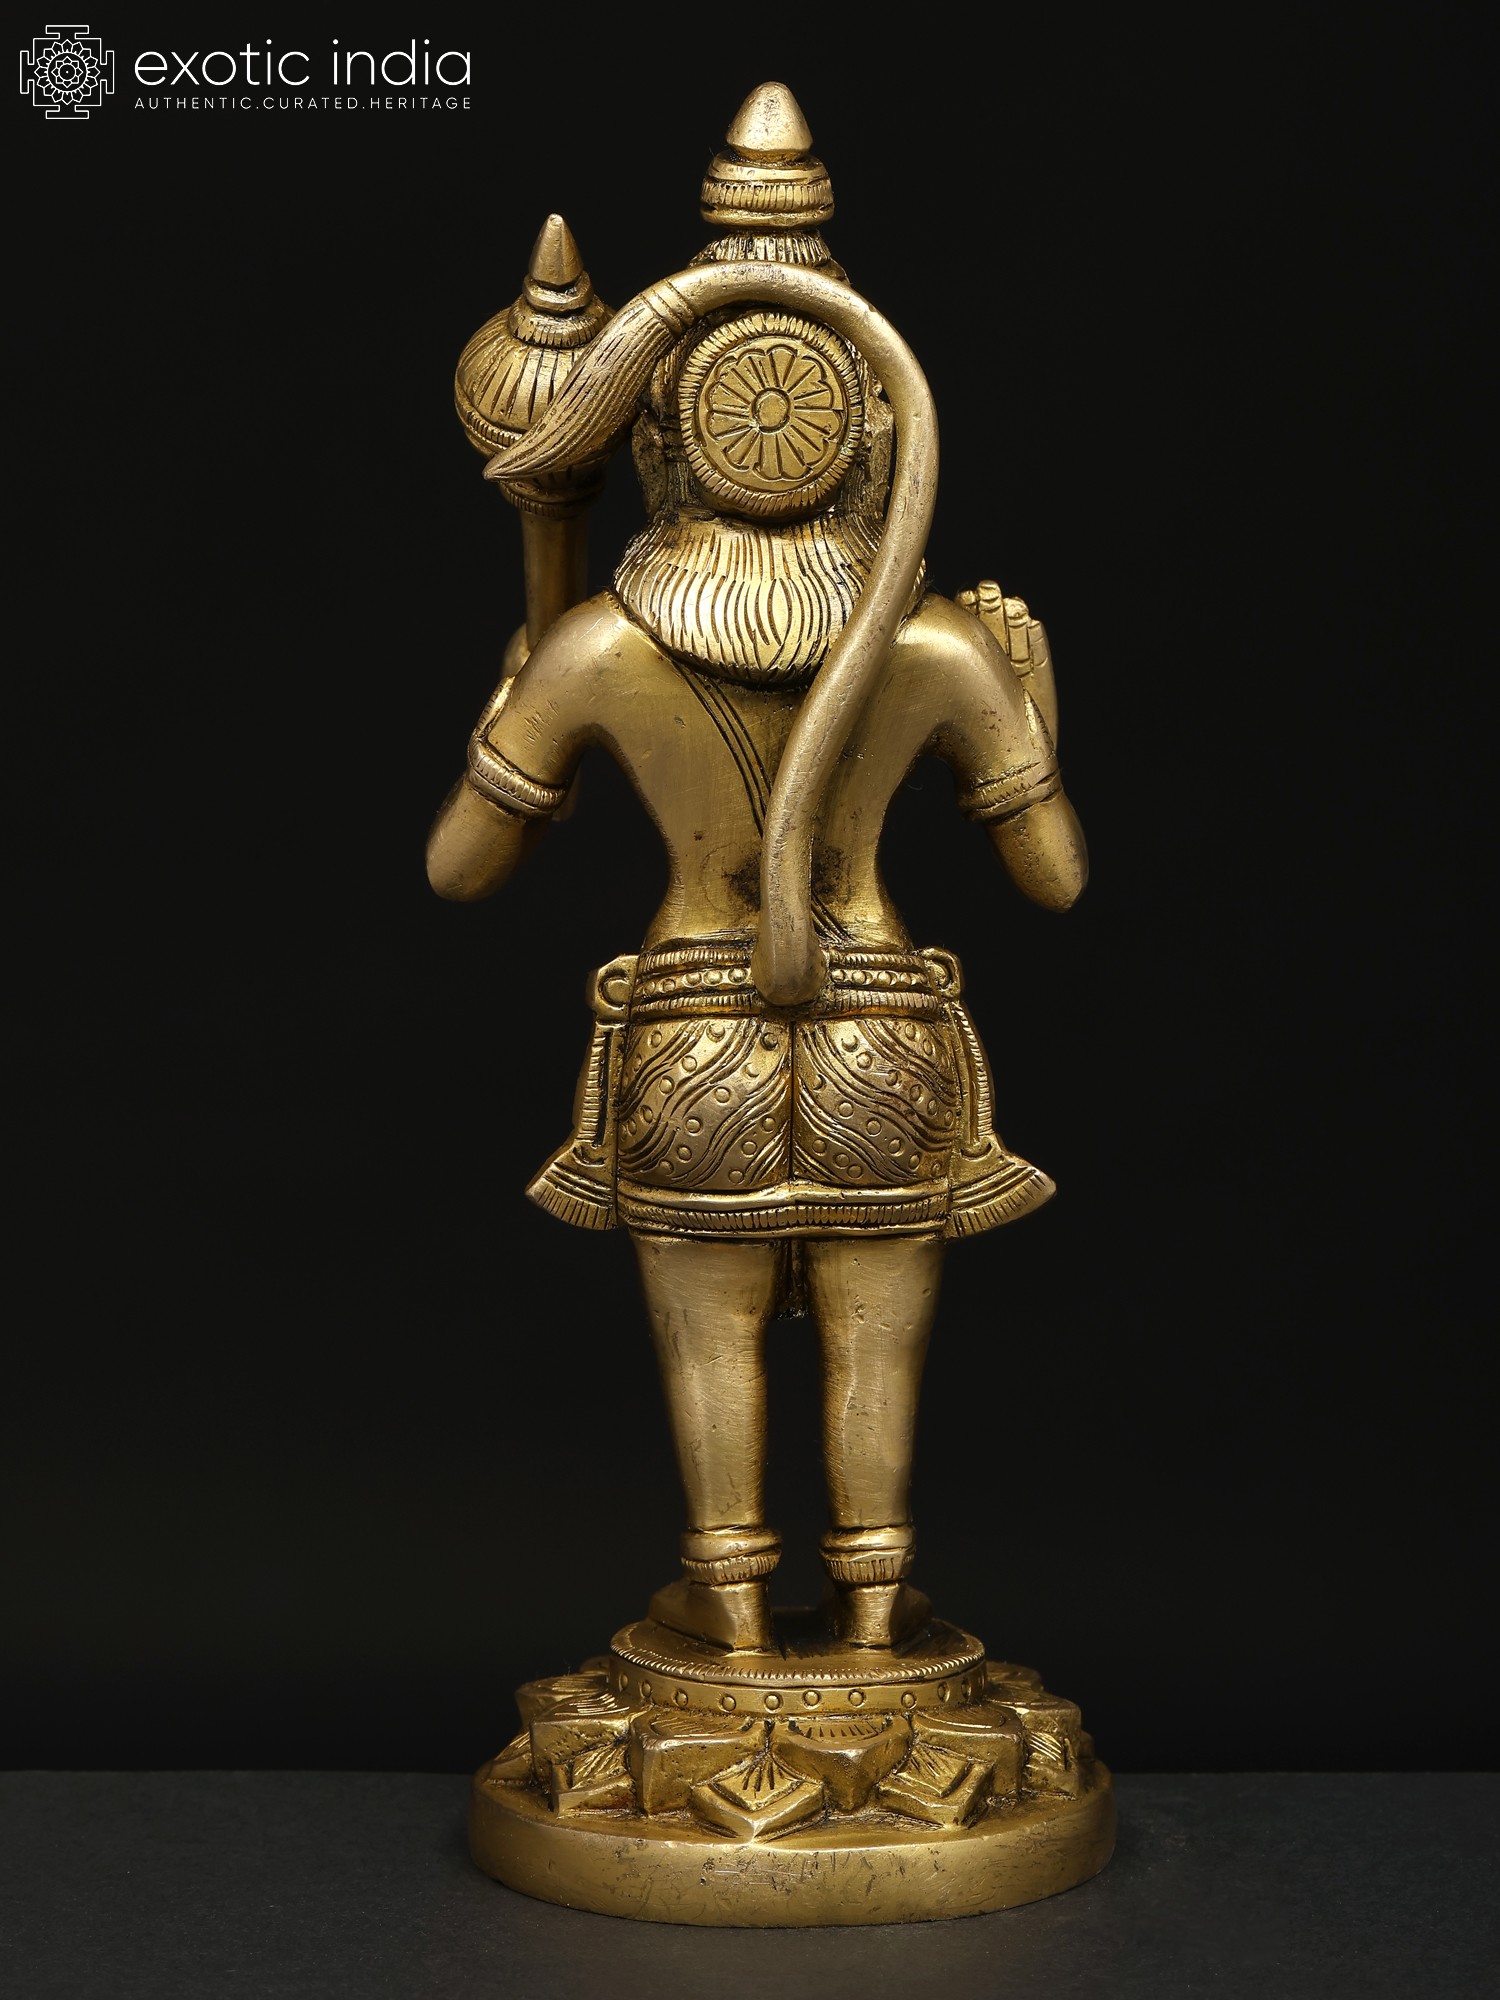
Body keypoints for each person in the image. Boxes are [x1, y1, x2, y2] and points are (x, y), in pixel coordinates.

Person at [427, 84, 1087, 1654]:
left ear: (659, 435)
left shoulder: (598, 648)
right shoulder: (937, 646)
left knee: (709, 1347)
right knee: (876, 1350)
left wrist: (512, 699)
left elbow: (461, 868)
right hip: (880, 1030)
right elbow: (1055, 878)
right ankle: (873, 1617)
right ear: (872, 433)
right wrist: (1035, 698)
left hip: (688, 1035)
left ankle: (725, 1614)